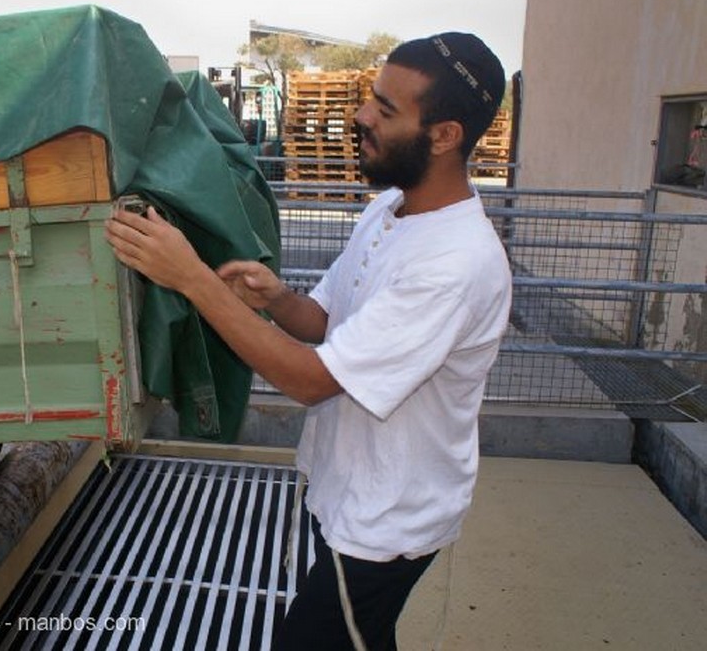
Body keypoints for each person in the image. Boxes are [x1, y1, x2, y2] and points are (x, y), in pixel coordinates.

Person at [106, 32, 512, 651]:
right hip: (343, 491)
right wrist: (276, 300)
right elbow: (328, 323)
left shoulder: (453, 265)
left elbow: (310, 380)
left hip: (383, 524)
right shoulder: (392, 211)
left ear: (445, 135)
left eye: (385, 109)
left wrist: (191, 279)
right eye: (370, 98)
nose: (360, 116)